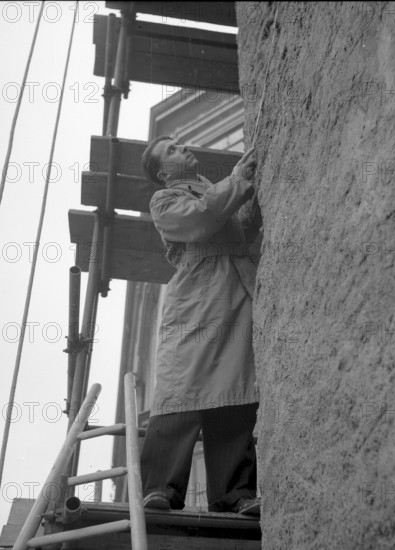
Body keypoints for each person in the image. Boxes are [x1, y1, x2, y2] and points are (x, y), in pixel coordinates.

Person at [138, 136, 260, 516]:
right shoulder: (164, 201)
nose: (183, 147)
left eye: (180, 144)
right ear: (164, 172)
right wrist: (238, 180)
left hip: (233, 297)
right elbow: (201, 219)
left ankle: (234, 493)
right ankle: (160, 488)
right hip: (196, 298)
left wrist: (250, 189)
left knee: (234, 391)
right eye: (171, 150)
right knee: (180, 391)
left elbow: (237, 225)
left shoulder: (212, 190)